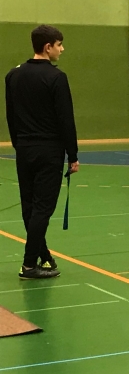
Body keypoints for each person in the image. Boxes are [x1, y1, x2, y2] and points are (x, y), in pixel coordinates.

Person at [4, 25, 79, 279]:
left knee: (30, 207)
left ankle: (43, 254)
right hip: (49, 151)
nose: (62, 49)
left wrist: (19, 144)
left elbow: (11, 116)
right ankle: (28, 265)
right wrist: (73, 155)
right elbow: (65, 119)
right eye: (59, 45)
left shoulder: (13, 75)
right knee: (43, 208)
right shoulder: (57, 78)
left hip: (24, 149)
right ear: (48, 47)